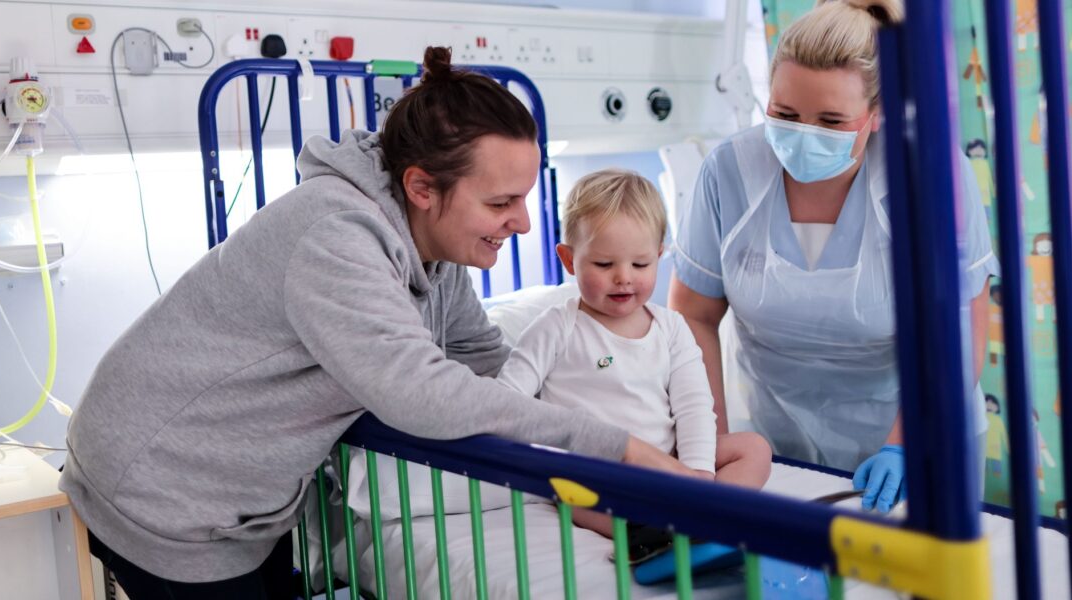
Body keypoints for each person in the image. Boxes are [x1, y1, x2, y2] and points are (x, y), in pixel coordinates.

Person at [59, 47, 690, 599]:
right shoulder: (336, 237)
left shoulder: (433, 254)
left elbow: (480, 359)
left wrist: (605, 403)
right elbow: (422, 393)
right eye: (501, 203)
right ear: (420, 187)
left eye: (523, 198)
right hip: (165, 489)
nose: (523, 223)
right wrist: (611, 447)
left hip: (252, 504)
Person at [669, 0, 999, 514]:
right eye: (784, 114)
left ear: (878, 113)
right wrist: (706, 446)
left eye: (829, 120)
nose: (803, 133)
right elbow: (694, 316)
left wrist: (905, 443)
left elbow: (959, 329)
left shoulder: (928, 174)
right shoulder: (729, 173)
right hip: (775, 434)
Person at [496, 169, 773, 537]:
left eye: (640, 264)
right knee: (568, 491)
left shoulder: (671, 328)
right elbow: (504, 401)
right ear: (568, 260)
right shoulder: (557, 328)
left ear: (659, 256)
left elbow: (693, 407)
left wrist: (697, 476)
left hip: (670, 462)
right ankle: (650, 535)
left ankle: (705, 516)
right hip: (600, 469)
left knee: (753, 448)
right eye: (604, 264)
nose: (624, 277)